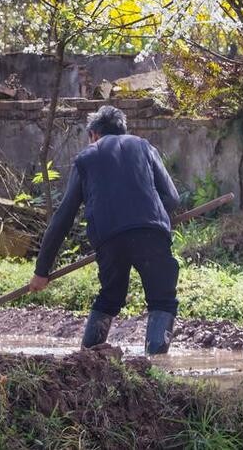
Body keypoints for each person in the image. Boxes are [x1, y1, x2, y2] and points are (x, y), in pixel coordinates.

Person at [27, 104, 181, 354]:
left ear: (94, 135)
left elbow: (63, 217)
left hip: (110, 239)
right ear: (121, 131)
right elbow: (172, 198)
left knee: (110, 296)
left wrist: (41, 271)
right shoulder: (143, 147)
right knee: (162, 299)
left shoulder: (86, 158)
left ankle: (87, 358)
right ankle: (157, 366)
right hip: (152, 233)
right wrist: (149, 218)